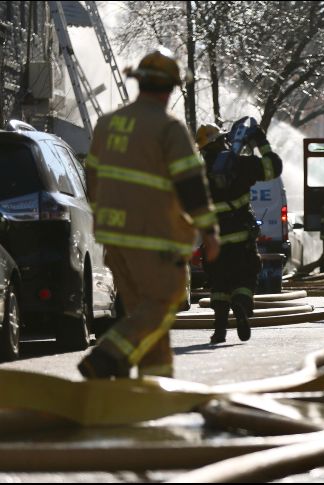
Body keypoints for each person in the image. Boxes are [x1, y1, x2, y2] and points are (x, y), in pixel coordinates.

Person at [78, 48, 220, 379]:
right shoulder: (168, 128)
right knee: (163, 303)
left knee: (141, 313)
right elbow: (190, 185)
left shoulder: (107, 124)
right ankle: (106, 355)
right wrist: (209, 232)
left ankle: (153, 385)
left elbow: (92, 178)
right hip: (153, 236)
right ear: (171, 88)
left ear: (139, 83)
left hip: (114, 238)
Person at [195, 120, 283, 344]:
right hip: (241, 239)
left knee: (219, 284)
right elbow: (274, 167)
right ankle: (241, 305)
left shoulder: (198, 173)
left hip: (214, 240)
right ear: (223, 141)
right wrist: (260, 141)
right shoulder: (240, 165)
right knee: (245, 276)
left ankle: (220, 329)